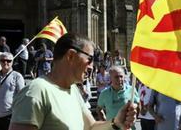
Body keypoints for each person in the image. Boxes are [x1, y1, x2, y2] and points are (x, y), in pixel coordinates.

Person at [9, 33, 137, 130]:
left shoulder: (73, 89)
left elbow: (91, 126)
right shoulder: (35, 92)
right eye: (90, 59)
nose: (92, 66)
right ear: (70, 56)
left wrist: (116, 123)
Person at [0, 52, 25, 130]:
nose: (5, 62)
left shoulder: (17, 76)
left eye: (8, 61)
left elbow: (22, 97)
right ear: (0, 62)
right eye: (3, 60)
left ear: (12, 62)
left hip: (9, 115)